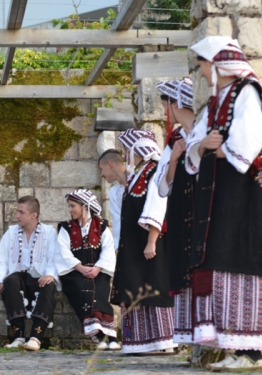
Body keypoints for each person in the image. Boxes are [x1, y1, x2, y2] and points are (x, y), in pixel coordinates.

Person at [185, 36, 262, 370]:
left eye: (202, 64)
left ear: (218, 64)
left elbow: (252, 139)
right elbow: (194, 142)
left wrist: (222, 147)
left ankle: (252, 350)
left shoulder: (247, 92)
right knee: (218, 258)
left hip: (241, 196)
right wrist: (204, 145)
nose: (201, 72)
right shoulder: (218, 100)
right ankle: (235, 346)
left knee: (239, 258)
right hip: (219, 195)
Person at [110, 128, 176, 354]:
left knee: (154, 286)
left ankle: (164, 340)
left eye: (129, 148)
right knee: (135, 287)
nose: (127, 153)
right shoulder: (139, 173)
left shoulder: (155, 171)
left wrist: (151, 241)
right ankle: (141, 341)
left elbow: (157, 206)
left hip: (149, 243)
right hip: (134, 244)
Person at [153, 79, 196, 345]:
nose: (165, 111)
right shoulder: (175, 139)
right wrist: (174, 158)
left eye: (166, 104)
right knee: (183, 271)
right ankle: (190, 336)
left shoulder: (202, 131)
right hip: (181, 213)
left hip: (202, 211)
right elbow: (162, 187)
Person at [0, 196, 59, 351]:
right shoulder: (11, 232)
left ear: (34, 215)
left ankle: (36, 337)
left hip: (39, 275)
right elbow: (1, 259)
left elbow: (55, 256)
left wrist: (50, 274)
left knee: (48, 285)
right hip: (19, 275)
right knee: (10, 282)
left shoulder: (49, 232)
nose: (17, 216)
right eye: (17, 212)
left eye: (21, 212)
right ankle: (18, 337)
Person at [56, 189, 120, 350]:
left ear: (85, 206)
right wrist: (80, 268)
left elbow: (108, 250)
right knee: (82, 288)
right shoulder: (66, 227)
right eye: (69, 206)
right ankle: (101, 336)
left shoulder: (101, 226)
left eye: (73, 206)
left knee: (98, 289)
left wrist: (97, 268)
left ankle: (110, 337)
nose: (70, 210)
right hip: (74, 273)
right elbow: (63, 252)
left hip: (98, 271)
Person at [98, 149, 127, 249]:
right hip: (127, 248)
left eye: (101, 169)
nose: (101, 175)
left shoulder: (139, 180)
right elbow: (118, 222)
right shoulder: (114, 192)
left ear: (109, 164)